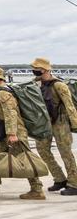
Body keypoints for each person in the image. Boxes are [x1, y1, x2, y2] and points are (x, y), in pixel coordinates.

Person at [0, 65, 46, 200]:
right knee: (0, 157)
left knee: (25, 160)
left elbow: (10, 113)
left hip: (15, 132)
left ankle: (37, 189)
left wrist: (12, 134)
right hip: (7, 132)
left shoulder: (3, 93)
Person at [31, 57, 77, 195]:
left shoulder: (59, 85)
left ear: (45, 69)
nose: (34, 71)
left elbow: (70, 106)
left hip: (60, 122)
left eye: (36, 69)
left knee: (66, 152)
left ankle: (74, 183)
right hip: (44, 123)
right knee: (42, 150)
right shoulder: (35, 84)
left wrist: (75, 124)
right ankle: (59, 178)